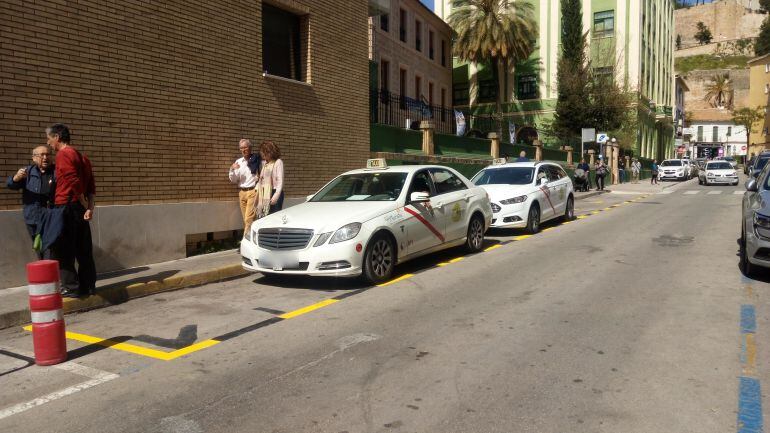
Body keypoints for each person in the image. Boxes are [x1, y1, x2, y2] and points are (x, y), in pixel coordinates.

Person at [46, 124, 97, 298]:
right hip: (79, 208)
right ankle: (88, 285)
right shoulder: (83, 158)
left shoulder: (63, 154)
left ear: (58, 137)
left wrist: (82, 200)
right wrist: (89, 208)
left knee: (63, 249)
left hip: (66, 207)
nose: (49, 142)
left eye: (50, 138)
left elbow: (72, 179)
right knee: (83, 249)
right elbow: (91, 186)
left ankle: (71, 287)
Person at [6, 145, 56, 258]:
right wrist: (15, 178)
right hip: (33, 217)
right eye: (41, 155)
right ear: (33, 158)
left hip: (51, 217)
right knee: (38, 248)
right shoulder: (27, 172)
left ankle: (48, 273)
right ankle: (43, 272)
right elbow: (10, 185)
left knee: (49, 248)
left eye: (48, 154)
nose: (45, 157)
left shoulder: (56, 171)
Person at [228, 139, 260, 233]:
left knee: (248, 219)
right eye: (241, 148)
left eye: (245, 147)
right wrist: (231, 169)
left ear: (250, 148)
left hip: (252, 191)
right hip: (242, 193)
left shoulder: (256, 159)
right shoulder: (238, 162)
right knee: (246, 219)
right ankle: (252, 237)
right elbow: (233, 180)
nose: (243, 150)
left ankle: (245, 241)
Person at [255, 140, 284, 218]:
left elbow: (280, 181)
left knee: (274, 217)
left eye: (263, 152)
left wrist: (276, 196)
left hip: (274, 192)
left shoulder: (278, 162)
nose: (262, 154)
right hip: (265, 193)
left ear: (270, 152)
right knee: (265, 217)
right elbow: (262, 179)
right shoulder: (265, 163)